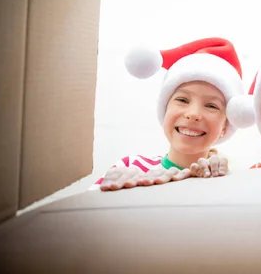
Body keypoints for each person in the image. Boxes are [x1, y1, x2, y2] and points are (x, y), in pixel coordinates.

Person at [93, 37, 252, 191]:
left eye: (211, 106)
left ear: (226, 125)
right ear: (165, 109)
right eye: (182, 100)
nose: (193, 114)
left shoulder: (231, 182)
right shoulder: (130, 168)